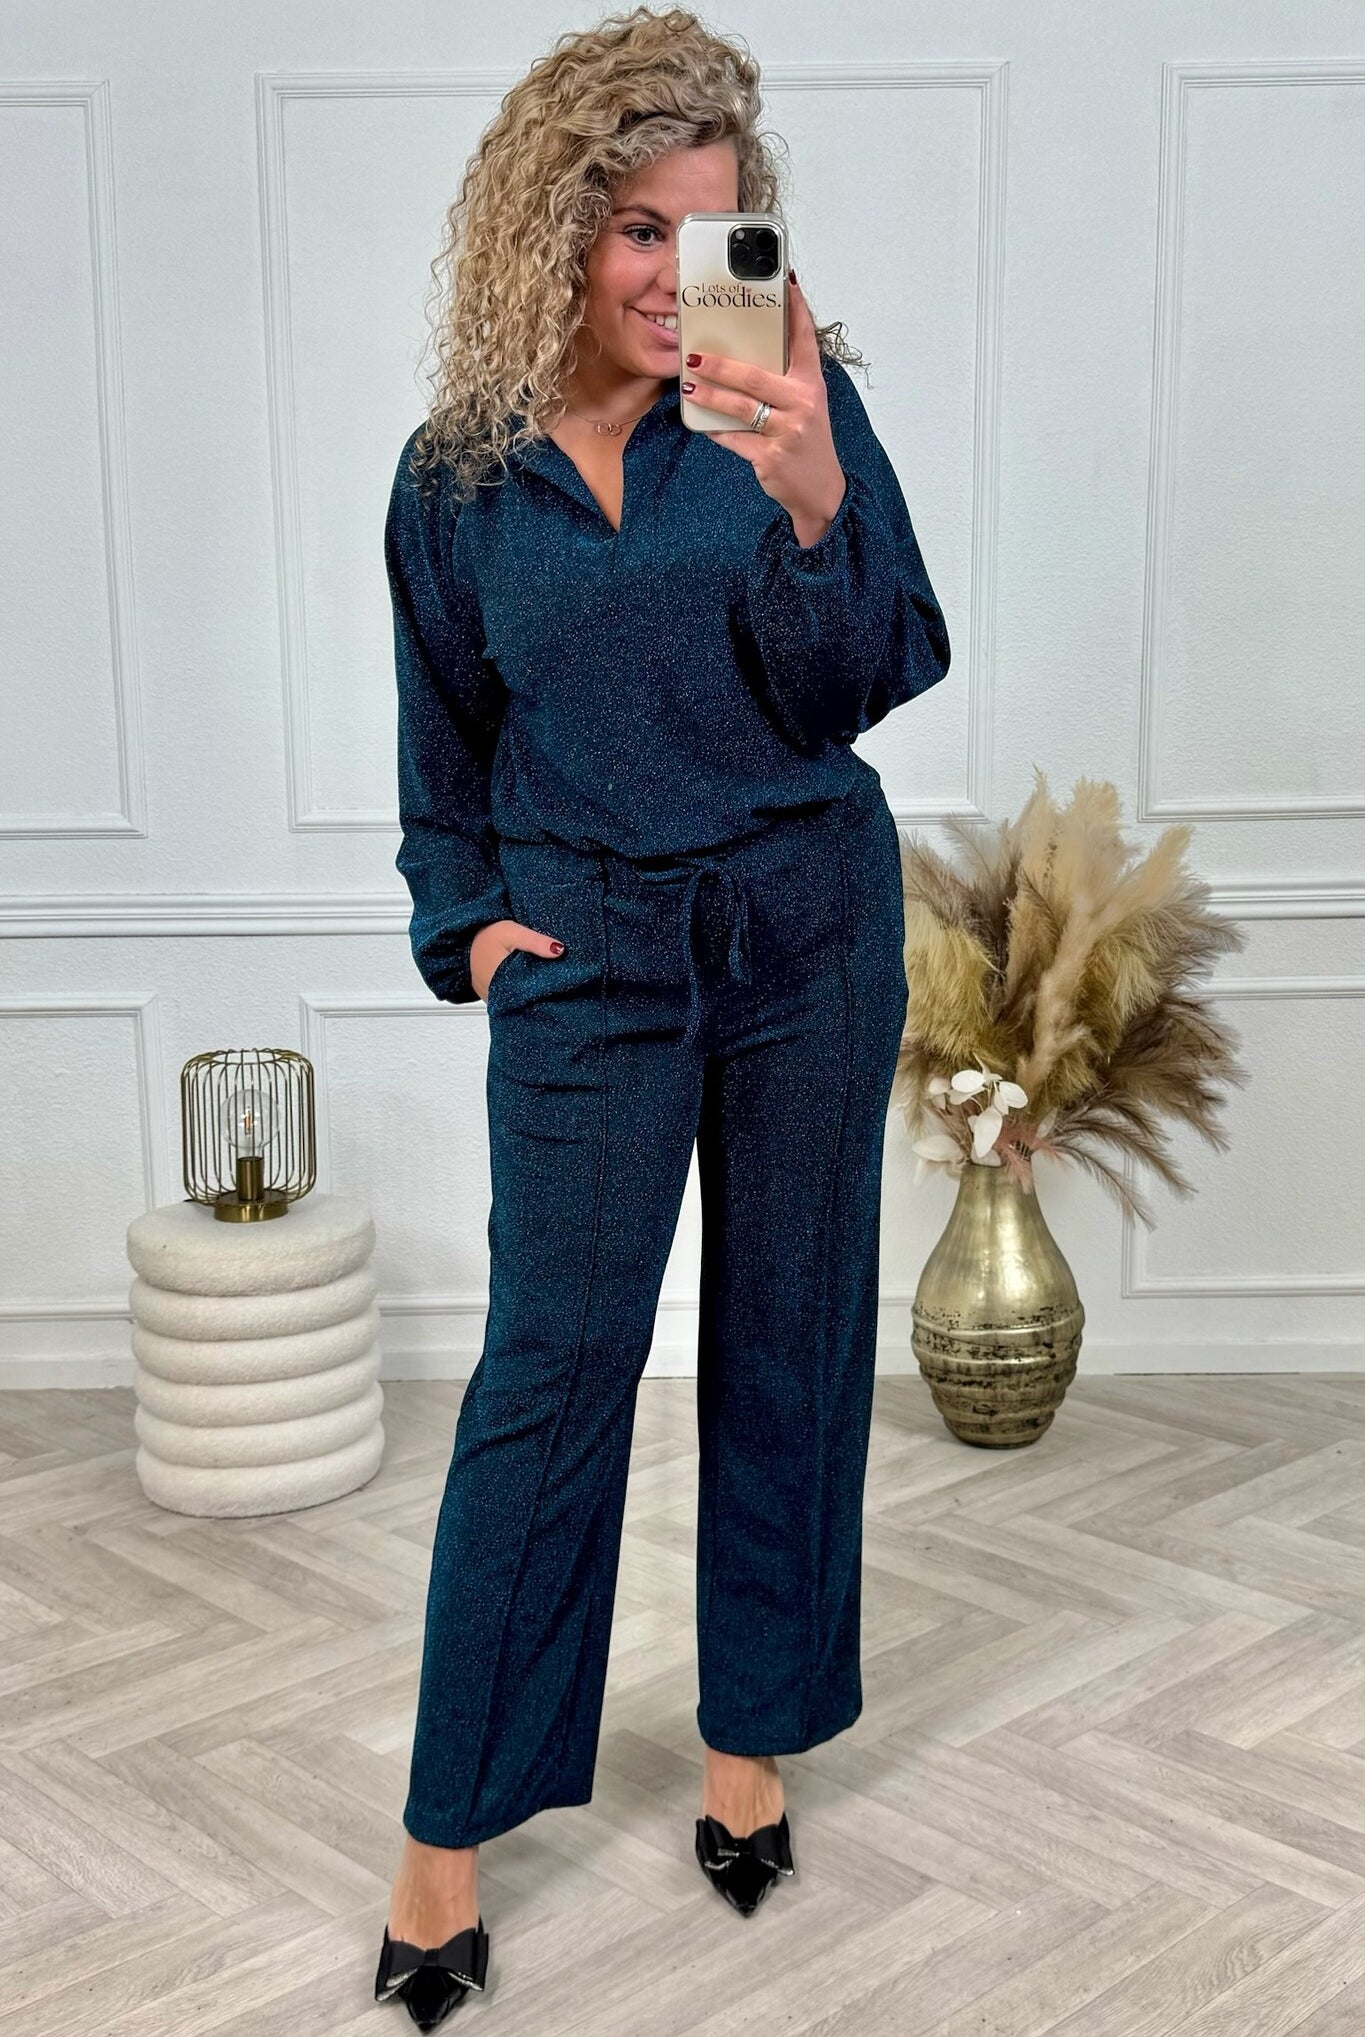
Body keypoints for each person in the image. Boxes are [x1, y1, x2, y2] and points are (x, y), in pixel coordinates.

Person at [373, 6, 950, 2024]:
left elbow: (873, 669)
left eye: (706, 234)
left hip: (806, 935)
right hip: (592, 960)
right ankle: (443, 1834)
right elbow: (441, 750)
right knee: (550, 1375)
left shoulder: (792, 403)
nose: (667, 273)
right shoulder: (455, 478)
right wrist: (472, 933)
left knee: (788, 1338)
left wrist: (810, 501)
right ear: (552, 228)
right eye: (634, 227)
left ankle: (749, 1740)